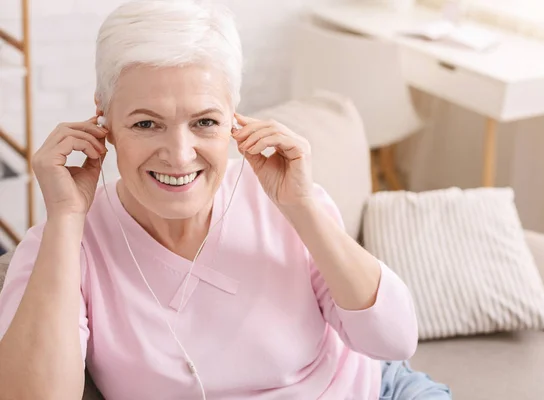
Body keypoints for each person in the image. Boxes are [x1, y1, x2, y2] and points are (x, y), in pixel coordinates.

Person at [0, 1, 451, 399]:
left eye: (204, 122)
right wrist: (65, 219)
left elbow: (395, 342)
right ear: (105, 120)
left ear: (234, 116)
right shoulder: (62, 244)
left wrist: (303, 210)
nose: (179, 155)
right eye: (145, 124)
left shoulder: (284, 201)